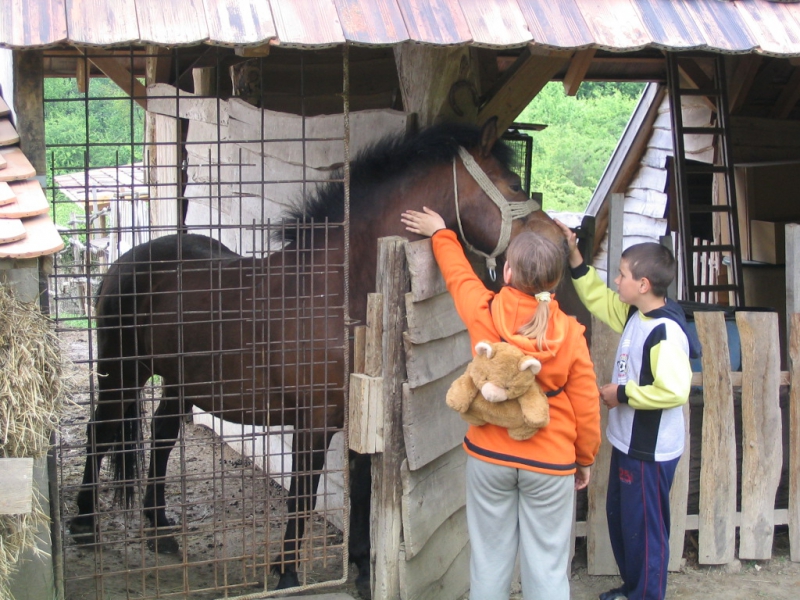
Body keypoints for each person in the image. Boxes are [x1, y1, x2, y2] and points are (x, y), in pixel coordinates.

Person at [402, 207, 601, 600]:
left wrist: (442, 232)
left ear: (507, 273)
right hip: (551, 462)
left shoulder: (485, 312)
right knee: (546, 566)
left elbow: (459, 276)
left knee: (489, 562)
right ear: (556, 283)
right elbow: (587, 404)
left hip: (489, 457)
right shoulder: (571, 335)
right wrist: (584, 458)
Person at [555, 220, 701, 600]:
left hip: (648, 451)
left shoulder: (665, 333)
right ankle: (634, 588)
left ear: (644, 285)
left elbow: (674, 390)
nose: (616, 282)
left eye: (621, 275)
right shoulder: (638, 314)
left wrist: (622, 394)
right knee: (625, 522)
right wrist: (574, 256)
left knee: (646, 529)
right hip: (629, 442)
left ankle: (647, 596)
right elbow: (598, 300)